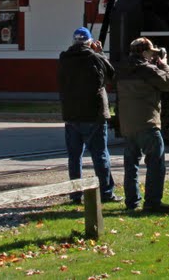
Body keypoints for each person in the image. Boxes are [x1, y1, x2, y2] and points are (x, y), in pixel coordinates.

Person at [58, 26, 121, 205]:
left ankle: (76, 194)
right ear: (90, 42)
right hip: (94, 113)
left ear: (74, 41)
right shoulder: (94, 57)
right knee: (100, 154)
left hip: (71, 114)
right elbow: (112, 75)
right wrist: (100, 53)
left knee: (74, 157)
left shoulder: (64, 58)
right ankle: (106, 192)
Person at [116, 37, 169, 213]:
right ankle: (152, 202)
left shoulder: (122, 69)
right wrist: (164, 64)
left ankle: (131, 201)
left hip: (127, 125)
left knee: (131, 165)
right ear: (144, 52)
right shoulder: (149, 70)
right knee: (156, 164)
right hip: (147, 123)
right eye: (151, 52)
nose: (152, 56)